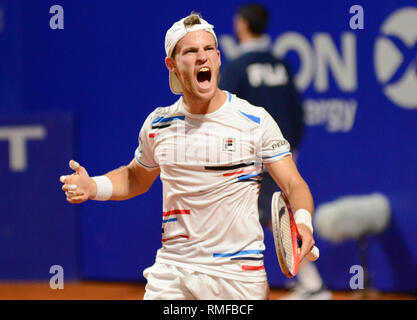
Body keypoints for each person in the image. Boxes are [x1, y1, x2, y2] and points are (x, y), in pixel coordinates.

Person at [59, 12, 316, 300]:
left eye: (208, 50)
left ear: (219, 58)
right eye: (191, 51)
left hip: (238, 279)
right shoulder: (158, 125)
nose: (202, 57)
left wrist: (303, 221)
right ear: (172, 65)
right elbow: (136, 177)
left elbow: (294, 185)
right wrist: (93, 186)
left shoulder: (254, 121)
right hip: (174, 273)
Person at [219, 4, 331, 300]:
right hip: (282, 153)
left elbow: (220, 114)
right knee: (274, 215)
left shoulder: (235, 67)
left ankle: (311, 285)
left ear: (242, 25)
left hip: (251, 158)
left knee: (261, 217)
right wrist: (289, 149)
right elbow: (297, 112)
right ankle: (309, 283)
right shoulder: (281, 64)